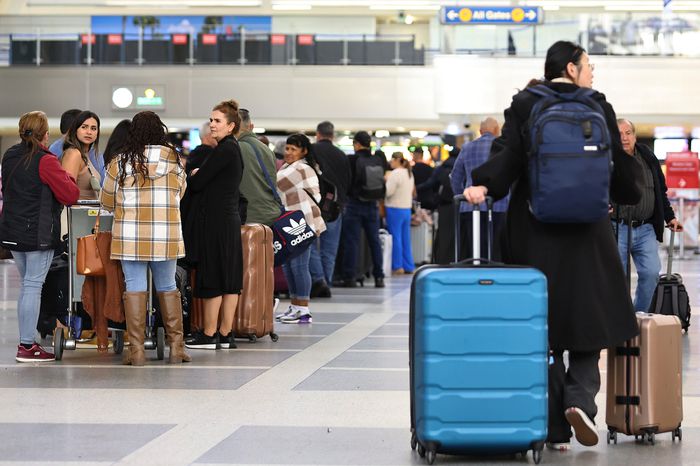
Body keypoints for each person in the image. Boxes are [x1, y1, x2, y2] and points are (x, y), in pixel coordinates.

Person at [462, 41, 642, 451]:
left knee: (539, 327)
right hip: (588, 230)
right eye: (588, 66)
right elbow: (621, 175)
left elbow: (507, 156)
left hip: (535, 228)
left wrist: (484, 184)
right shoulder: (597, 104)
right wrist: (630, 188)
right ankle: (579, 400)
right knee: (589, 320)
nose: (592, 73)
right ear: (570, 68)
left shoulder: (525, 103)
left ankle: (554, 429)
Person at [100, 111, 190, 366]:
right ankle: (176, 349)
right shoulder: (175, 160)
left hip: (130, 235)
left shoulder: (120, 162)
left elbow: (106, 201)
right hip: (165, 234)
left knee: (135, 287)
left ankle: (137, 351)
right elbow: (180, 193)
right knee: (168, 287)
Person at [0, 111, 79, 362]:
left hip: (13, 231)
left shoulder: (9, 156)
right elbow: (70, 195)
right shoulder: (45, 160)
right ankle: (26, 346)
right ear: (45, 134)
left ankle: (27, 342)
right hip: (38, 233)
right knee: (33, 286)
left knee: (27, 286)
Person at [183, 100, 244, 350]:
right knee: (229, 278)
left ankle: (208, 335)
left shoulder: (223, 150)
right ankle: (225, 333)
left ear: (231, 126)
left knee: (212, 277)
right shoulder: (233, 149)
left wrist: (196, 174)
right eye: (211, 120)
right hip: (229, 220)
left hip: (216, 222)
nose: (212, 125)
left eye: (217, 121)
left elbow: (197, 184)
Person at [613, 118, 683, 311]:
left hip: (646, 228)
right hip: (617, 227)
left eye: (628, 133)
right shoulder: (608, 158)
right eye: (619, 134)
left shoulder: (647, 156)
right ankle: (621, 320)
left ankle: (639, 317)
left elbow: (660, 190)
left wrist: (669, 217)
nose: (624, 138)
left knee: (651, 272)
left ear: (634, 136)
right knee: (618, 277)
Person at [275, 134, 326, 323]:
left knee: (299, 266)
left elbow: (274, 184)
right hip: (294, 224)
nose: (288, 152)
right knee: (289, 267)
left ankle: (303, 309)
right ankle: (295, 306)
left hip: (303, 224)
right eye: (287, 148)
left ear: (303, 151)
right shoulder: (290, 167)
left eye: (293, 149)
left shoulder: (301, 168)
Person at [451, 117, 510, 260]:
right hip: (500, 205)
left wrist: (462, 198)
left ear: (480, 131)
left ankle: (477, 275)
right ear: (497, 130)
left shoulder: (467, 147)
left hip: (471, 206)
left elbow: (455, 177)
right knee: (496, 250)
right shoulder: (504, 148)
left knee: (475, 249)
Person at [309, 120, 351, 298]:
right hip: (336, 207)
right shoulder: (342, 155)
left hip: (314, 206)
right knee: (329, 249)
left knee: (309, 245)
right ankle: (326, 282)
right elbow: (349, 181)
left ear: (318, 134)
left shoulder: (312, 151)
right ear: (332, 135)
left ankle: (319, 280)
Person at [339, 131, 387, 288]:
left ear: (357, 144)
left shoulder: (351, 159)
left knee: (352, 242)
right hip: (372, 205)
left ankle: (350, 277)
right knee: (374, 241)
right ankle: (379, 277)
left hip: (354, 205)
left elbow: (346, 182)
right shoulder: (378, 159)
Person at [235, 108, 280, 226]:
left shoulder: (235, 149)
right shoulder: (267, 150)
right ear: (251, 126)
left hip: (249, 218)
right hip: (271, 215)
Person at [384, 152, 415, 274]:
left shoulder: (395, 173)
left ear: (397, 160)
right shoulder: (409, 173)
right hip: (406, 209)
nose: (391, 163)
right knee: (405, 238)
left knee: (395, 237)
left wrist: (385, 181)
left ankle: (397, 266)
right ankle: (408, 266)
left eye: (392, 160)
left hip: (394, 208)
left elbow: (388, 192)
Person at [62, 110, 101, 200]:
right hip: (77, 212)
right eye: (84, 127)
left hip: (89, 212)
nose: (89, 132)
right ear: (75, 130)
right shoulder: (74, 154)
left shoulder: (85, 154)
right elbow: (67, 193)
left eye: (93, 128)